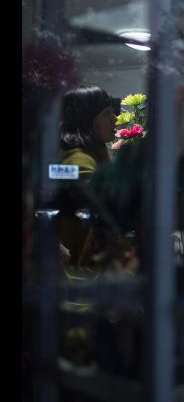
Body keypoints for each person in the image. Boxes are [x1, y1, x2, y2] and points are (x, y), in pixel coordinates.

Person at [57, 85, 118, 271]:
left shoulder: (90, 154)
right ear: (86, 121)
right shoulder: (78, 160)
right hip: (78, 277)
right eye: (105, 114)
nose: (115, 118)